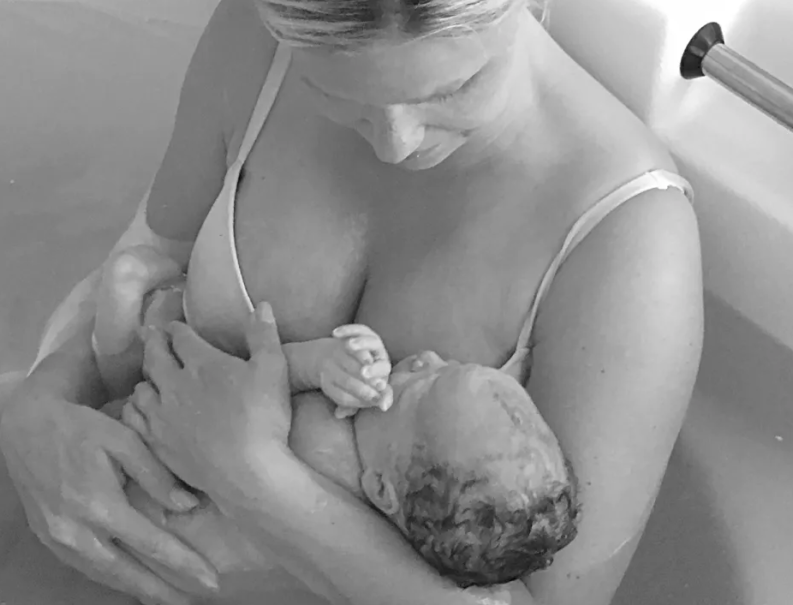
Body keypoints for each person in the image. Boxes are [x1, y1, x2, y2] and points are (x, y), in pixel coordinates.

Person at [0, 0, 704, 604]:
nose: (397, 143)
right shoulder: (254, 44)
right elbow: (143, 269)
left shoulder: (630, 238)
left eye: (455, 88)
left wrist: (251, 478)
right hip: (95, 509)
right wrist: (41, 411)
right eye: (337, 92)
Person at [92, 251, 580, 589]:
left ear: (384, 488)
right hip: (146, 505)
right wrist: (332, 365)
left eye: (422, 384)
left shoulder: (324, 447)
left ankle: (116, 343)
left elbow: (255, 378)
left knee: (136, 381)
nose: (424, 357)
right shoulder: (379, 526)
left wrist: (316, 365)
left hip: (131, 503)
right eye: (446, 364)